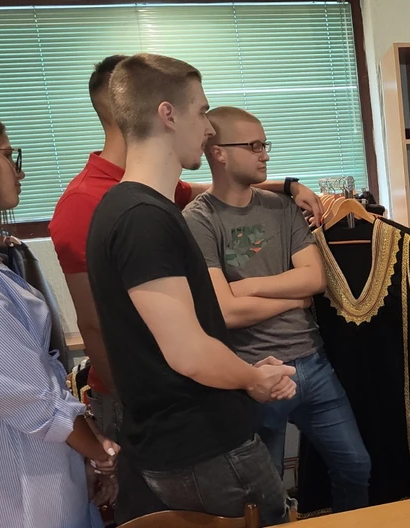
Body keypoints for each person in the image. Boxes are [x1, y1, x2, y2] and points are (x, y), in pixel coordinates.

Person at [48, 54, 324, 522]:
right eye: (202, 112)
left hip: (181, 438)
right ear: (167, 114)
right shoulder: (141, 218)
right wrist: (251, 378)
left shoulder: (130, 205)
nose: (210, 129)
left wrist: (242, 370)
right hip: (202, 444)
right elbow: (188, 352)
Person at [183, 106, 371, 512]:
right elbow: (225, 312)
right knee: (265, 495)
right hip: (253, 373)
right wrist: (291, 298)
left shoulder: (281, 208)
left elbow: (314, 280)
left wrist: (245, 287)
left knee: (356, 466)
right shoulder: (198, 219)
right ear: (219, 152)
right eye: (253, 146)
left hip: (313, 363)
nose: (264, 154)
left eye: (264, 144)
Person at [0, 109, 118, 527]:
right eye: (8, 156)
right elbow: (32, 399)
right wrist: (100, 454)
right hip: (16, 485)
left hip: (45, 465)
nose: (20, 172)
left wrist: (86, 452)